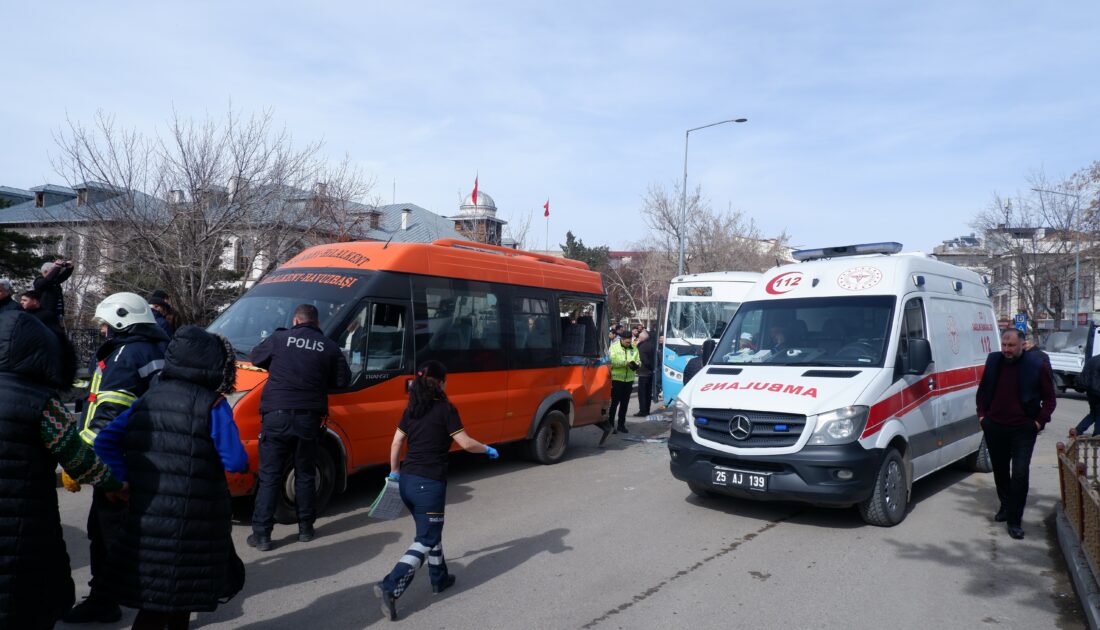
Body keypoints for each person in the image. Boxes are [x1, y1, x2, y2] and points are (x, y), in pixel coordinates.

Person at [94, 326, 248, 629]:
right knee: (183, 595)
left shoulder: (147, 399)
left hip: (148, 511)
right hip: (197, 518)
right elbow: (236, 460)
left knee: (154, 597)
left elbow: (104, 441)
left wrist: (122, 478)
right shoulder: (213, 405)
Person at [0, 311, 126, 630]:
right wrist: (113, 482)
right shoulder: (44, 403)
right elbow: (78, 459)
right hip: (25, 527)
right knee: (23, 602)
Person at [65, 292, 169, 624]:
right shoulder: (156, 348)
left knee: (106, 533)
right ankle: (151, 598)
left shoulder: (125, 354)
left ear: (123, 321)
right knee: (139, 533)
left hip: (117, 460)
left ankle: (105, 601)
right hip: (146, 457)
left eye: (107, 324)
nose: (103, 330)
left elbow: (109, 412)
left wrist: (83, 460)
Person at [375, 360, 499, 621]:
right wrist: (486, 448)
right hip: (428, 484)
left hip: (407, 481)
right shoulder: (445, 410)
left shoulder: (412, 409)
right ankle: (390, 585)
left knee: (430, 531)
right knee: (427, 539)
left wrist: (394, 471)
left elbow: (397, 441)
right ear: (441, 383)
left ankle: (439, 578)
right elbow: (465, 443)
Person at [248, 303, 351, 551]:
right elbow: (342, 381)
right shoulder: (329, 347)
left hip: (277, 416)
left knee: (270, 475)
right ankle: (305, 528)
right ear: (316, 323)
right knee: (305, 472)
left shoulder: (280, 338)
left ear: (296, 321)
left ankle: (262, 534)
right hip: (308, 418)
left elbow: (255, 357)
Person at [976, 329, 1056, 540]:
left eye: (1011, 345)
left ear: (1022, 344)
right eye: (1004, 345)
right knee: (1000, 471)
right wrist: (982, 416)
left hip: (1023, 429)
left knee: (1019, 474)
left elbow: (1050, 399)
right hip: (995, 427)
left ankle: (1015, 520)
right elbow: (982, 391)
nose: (1006, 350)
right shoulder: (994, 361)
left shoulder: (1037, 364)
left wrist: (1038, 422)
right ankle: (1005, 505)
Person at [608, 332, 640, 433]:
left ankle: (621, 425)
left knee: (624, 404)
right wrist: (624, 364)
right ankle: (611, 425)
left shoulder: (634, 347)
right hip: (617, 380)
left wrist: (637, 364)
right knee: (614, 404)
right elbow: (611, 361)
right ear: (621, 339)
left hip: (629, 380)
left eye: (629, 342)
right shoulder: (614, 347)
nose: (628, 344)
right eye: (626, 342)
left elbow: (638, 360)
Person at [34, 259, 74, 324]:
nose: (56, 273)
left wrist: (69, 268)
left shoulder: (53, 282)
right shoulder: (39, 281)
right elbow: (47, 281)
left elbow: (63, 277)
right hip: (46, 315)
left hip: (57, 315)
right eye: (54, 270)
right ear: (46, 271)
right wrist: (57, 267)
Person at [1075, 353, 1100, 437]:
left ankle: (1078, 430)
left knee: (1093, 413)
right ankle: (1097, 435)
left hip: (1090, 391)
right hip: (1098, 391)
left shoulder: (1093, 359)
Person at [634, 327, 656, 417]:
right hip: (650, 372)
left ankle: (643, 410)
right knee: (648, 392)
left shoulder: (642, 347)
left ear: (642, 338)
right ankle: (647, 410)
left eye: (639, 337)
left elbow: (644, 360)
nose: (638, 339)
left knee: (642, 393)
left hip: (644, 372)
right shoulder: (652, 345)